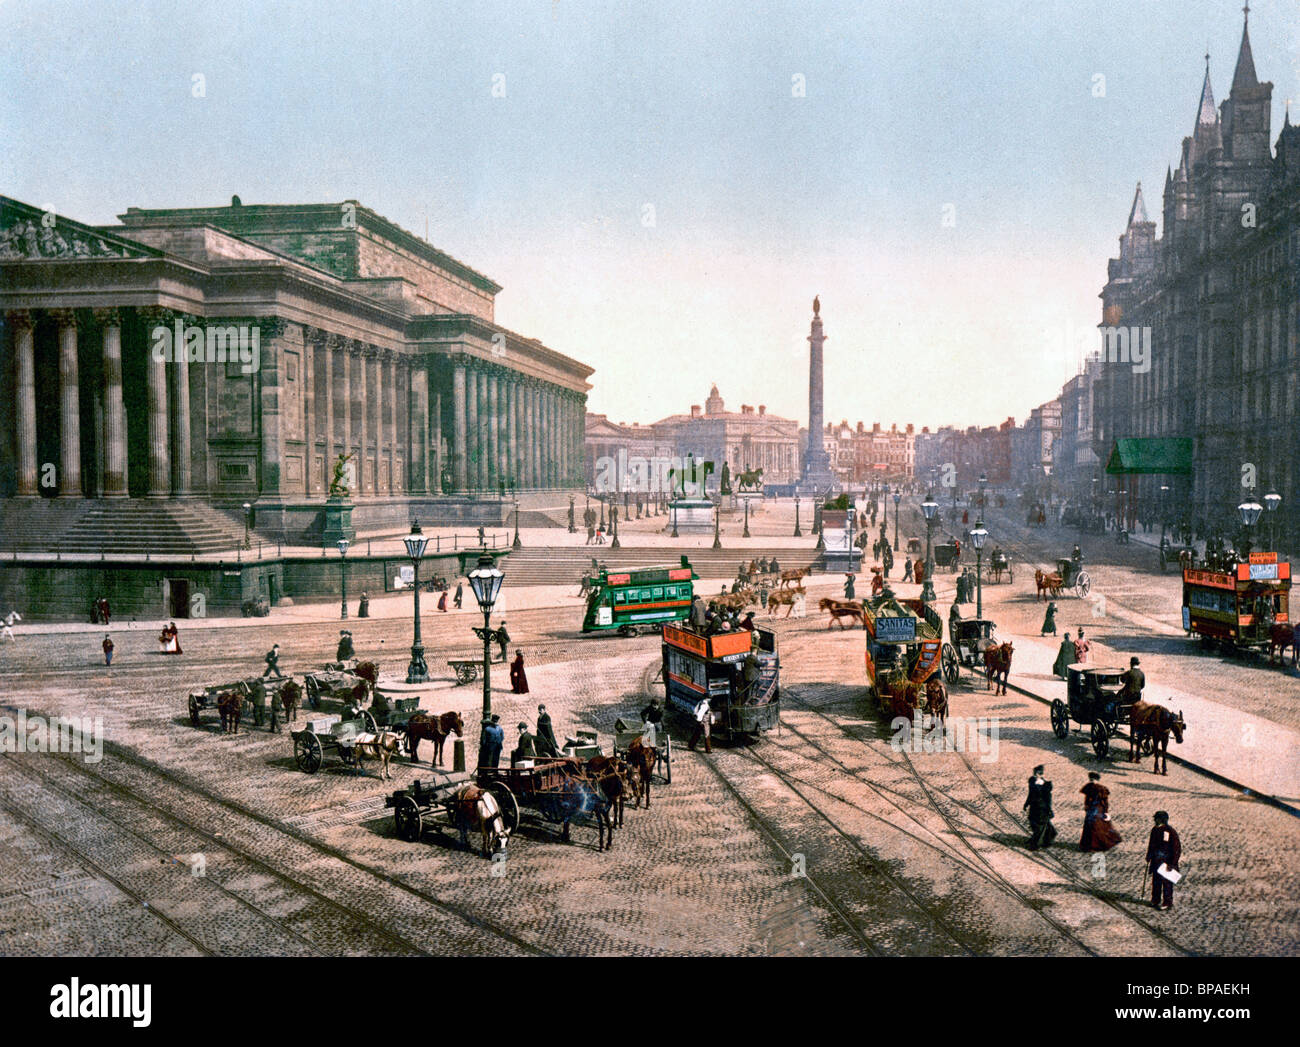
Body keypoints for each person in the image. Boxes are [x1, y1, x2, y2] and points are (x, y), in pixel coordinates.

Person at [1146, 810, 1182, 910]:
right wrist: (1149, 855)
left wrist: (1172, 863)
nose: (1155, 820)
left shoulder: (1170, 831)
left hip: (1166, 861)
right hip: (1156, 861)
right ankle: (1155, 900)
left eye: (1156, 818)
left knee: (1166, 883)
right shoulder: (1154, 830)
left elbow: (1176, 849)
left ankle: (1167, 902)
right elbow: (1151, 844)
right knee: (1156, 882)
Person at [1079, 771, 1122, 852]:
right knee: (1092, 827)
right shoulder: (1093, 787)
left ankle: (1095, 845)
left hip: (1097, 810)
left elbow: (1103, 801)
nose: (1091, 781)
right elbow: (1088, 799)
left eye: (1092, 779)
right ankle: (1089, 845)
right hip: (1093, 810)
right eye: (1091, 779)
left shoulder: (1099, 789)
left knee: (1096, 827)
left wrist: (1104, 811)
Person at [1023, 765, 1057, 850]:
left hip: (1042, 808)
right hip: (1034, 807)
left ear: (1040, 774)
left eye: (1036, 774)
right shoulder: (1032, 781)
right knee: (1034, 823)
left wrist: (1049, 810)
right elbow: (1030, 794)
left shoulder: (1046, 785)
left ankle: (1036, 844)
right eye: (1034, 773)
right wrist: (1026, 804)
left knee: (1040, 826)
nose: (1034, 775)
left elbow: (1048, 799)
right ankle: (1045, 839)